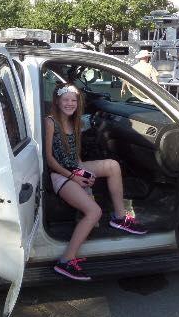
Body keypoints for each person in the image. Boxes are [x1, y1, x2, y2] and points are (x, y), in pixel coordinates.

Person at [45, 84, 147, 281]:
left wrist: (83, 171)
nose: (69, 104)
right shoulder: (50, 122)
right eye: (65, 100)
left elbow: (75, 157)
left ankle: (119, 217)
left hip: (74, 168)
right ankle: (66, 261)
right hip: (59, 175)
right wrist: (74, 176)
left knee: (112, 166)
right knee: (94, 211)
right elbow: (50, 159)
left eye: (73, 100)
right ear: (57, 101)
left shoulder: (74, 122)